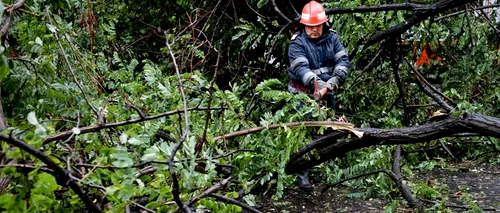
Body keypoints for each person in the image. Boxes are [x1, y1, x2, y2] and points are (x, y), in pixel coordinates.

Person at [287, 0, 352, 191]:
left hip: (327, 91)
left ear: (324, 23)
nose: (314, 30)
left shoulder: (332, 38)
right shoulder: (297, 44)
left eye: (318, 26)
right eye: (311, 27)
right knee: (304, 134)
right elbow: (301, 70)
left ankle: (327, 169)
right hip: (302, 95)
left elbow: (343, 61)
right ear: (304, 25)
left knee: (330, 129)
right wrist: (319, 86)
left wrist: (333, 82)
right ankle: (302, 174)